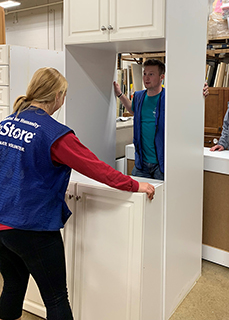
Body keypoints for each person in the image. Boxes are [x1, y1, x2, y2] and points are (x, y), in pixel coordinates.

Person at [0, 67, 155, 320]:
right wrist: (134, 184)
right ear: (58, 95)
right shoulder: (54, 134)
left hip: (2, 226)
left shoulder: (6, 124)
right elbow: (96, 167)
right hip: (31, 227)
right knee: (57, 298)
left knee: (13, 285)